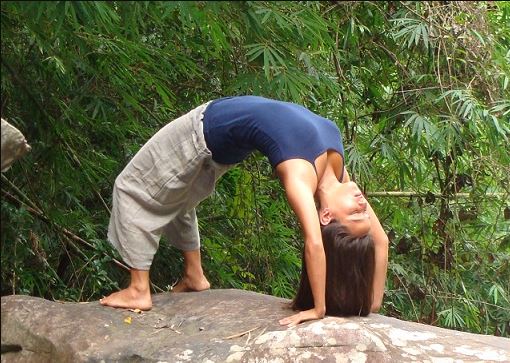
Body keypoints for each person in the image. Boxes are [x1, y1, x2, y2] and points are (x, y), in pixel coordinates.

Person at [100, 95, 389, 327]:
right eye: (364, 213)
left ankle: (138, 289)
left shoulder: (300, 177)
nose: (363, 205)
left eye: (355, 214)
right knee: (179, 198)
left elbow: (314, 242)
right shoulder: (338, 172)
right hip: (221, 147)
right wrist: (372, 302)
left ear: (325, 215)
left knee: (130, 188)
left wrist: (319, 308)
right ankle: (194, 275)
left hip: (201, 133)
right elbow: (381, 240)